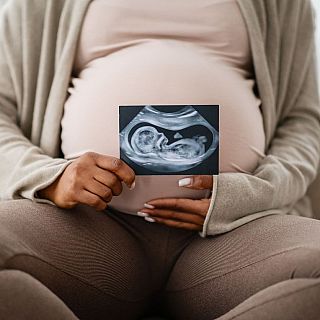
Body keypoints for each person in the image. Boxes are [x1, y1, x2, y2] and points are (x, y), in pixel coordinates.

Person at [0, 0, 320, 319]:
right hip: (87, 228)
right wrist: (50, 178)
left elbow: (301, 121)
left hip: (236, 232)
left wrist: (253, 193)